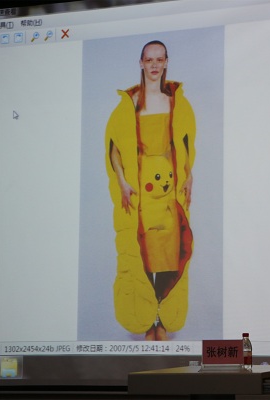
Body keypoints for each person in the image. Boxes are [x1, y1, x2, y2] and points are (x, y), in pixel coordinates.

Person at [105, 40, 196, 340]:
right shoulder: (130, 104)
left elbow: (185, 145)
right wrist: (122, 180)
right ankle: (145, 321)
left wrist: (189, 175)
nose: (154, 65)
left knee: (169, 256)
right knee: (139, 253)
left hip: (168, 193)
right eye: (149, 59)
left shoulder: (176, 104)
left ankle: (163, 319)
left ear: (166, 62)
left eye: (160, 59)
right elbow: (115, 147)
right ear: (141, 63)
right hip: (139, 192)